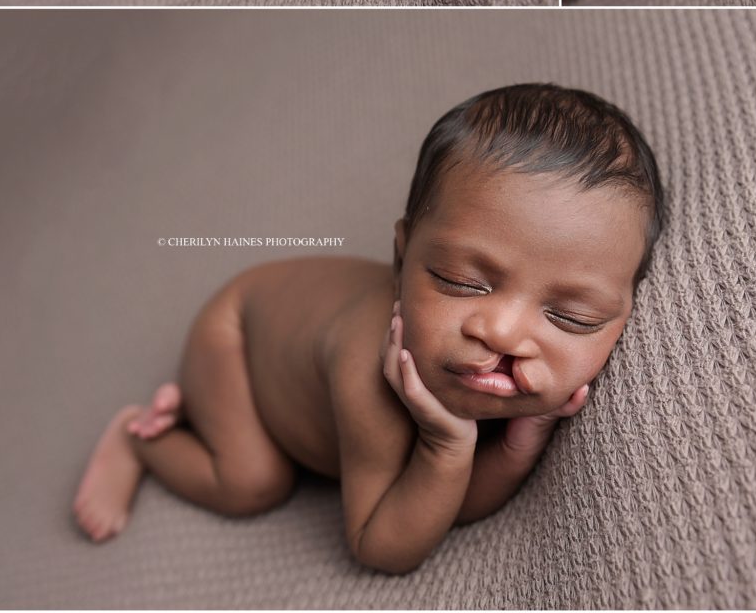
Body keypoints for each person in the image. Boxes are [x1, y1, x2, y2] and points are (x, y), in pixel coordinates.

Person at [73, 83, 664, 574]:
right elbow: (381, 544)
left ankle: (188, 410)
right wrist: (447, 443)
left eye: (572, 317)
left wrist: (516, 448)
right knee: (252, 482)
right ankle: (141, 438)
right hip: (239, 334)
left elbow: (445, 504)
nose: (505, 333)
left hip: (291, 323)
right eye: (462, 280)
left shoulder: (485, 371)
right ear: (401, 254)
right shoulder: (370, 371)